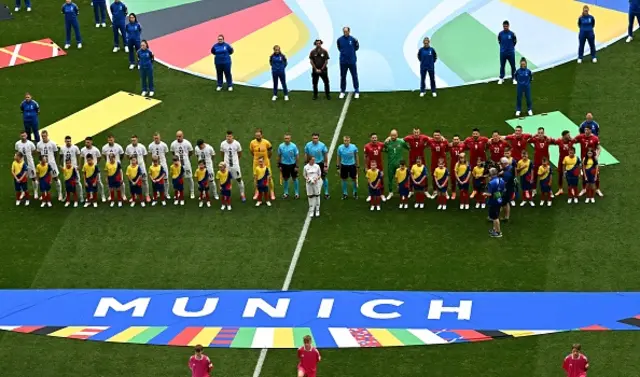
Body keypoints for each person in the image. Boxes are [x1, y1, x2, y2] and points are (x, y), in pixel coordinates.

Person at [573, 127, 601, 196]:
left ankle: (597, 189)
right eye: (585, 130)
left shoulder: (595, 138)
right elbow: (572, 141)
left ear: (590, 130)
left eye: (587, 130)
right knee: (584, 175)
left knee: (596, 174)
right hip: (584, 160)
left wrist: (596, 156)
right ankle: (584, 189)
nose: (586, 131)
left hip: (593, 160)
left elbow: (599, 148)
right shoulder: (580, 136)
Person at [37, 130, 63, 201]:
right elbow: (39, 153)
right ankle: (44, 194)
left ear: (47, 135)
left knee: (55, 178)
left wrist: (52, 160)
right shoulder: (39, 144)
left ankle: (60, 193)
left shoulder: (53, 143)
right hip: (43, 165)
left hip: (51, 163)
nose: (43, 137)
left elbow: (55, 152)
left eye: (44, 136)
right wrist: (41, 161)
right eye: (42, 136)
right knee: (43, 179)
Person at [220, 130, 246, 201]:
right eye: (227, 136)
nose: (228, 138)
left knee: (239, 179)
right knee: (226, 180)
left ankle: (242, 194)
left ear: (232, 136)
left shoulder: (237, 144)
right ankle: (226, 194)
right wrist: (224, 162)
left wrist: (236, 160)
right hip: (226, 166)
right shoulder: (223, 144)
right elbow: (222, 153)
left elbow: (240, 153)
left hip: (235, 166)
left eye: (230, 136)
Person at [249, 129, 275, 200]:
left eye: (259, 135)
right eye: (256, 135)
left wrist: (267, 158)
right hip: (256, 163)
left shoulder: (266, 142)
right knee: (255, 178)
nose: (258, 136)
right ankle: (257, 191)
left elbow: (270, 151)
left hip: (266, 162)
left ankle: (272, 192)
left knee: (269, 177)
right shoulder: (252, 143)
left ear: (261, 135)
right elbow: (252, 152)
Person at [528, 127, 554, 196]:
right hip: (537, 161)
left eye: (541, 133)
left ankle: (549, 190)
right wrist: (534, 135)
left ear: (544, 133)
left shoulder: (547, 140)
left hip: (545, 162)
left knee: (547, 176)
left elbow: (554, 141)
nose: (540, 134)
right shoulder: (535, 140)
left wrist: (548, 137)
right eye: (539, 133)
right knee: (535, 176)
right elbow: (528, 141)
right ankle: (534, 189)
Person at [383, 130, 408, 200]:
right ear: (389, 135)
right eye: (391, 135)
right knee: (390, 178)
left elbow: (408, 148)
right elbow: (382, 148)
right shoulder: (387, 142)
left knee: (402, 178)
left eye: (394, 135)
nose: (393, 137)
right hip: (391, 164)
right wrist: (385, 142)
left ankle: (401, 191)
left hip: (400, 164)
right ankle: (390, 192)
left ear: (397, 135)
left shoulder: (401, 142)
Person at [337, 26, 360, 99]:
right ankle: (342, 91)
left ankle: (356, 91)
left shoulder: (353, 39)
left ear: (349, 32)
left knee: (354, 76)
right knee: (343, 77)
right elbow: (339, 48)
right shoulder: (339, 40)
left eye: (346, 31)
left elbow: (356, 48)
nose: (345, 32)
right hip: (343, 62)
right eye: (344, 31)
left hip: (352, 61)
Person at [304, 133, 329, 199]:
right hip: (311, 164)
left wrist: (325, 165)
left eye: (316, 138)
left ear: (318, 138)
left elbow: (325, 155)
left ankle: (326, 192)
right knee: (310, 178)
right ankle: (312, 192)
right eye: (314, 138)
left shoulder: (322, 145)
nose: (315, 140)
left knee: (323, 177)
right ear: (312, 138)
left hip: (319, 163)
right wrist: (306, 163)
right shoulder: (308, 145)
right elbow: (306, 154)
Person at [81, 137, 106, 202]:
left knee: (99, 182)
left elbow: (99, 157)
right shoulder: (83, 150)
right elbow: (82, 157)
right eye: (86, 142)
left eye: (88, 142)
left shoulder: (95, 150)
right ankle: (89, 196)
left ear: (91, 142)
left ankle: (102, 195)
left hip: (94, 169)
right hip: (87, 169)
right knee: (87, 183)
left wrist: (95, 163)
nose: (87, 143)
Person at [171, 130, 195, 198]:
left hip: (186, 163)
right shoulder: (173, 144)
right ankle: (178, 191)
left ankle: (192, 191)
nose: (178, 138)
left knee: (189, 177)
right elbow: (173, 153)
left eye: (180, 136)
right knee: (178, 178)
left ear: (182, 136)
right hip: (177, 165)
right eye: (177, 136)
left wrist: (186, 158)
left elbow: (190, 152)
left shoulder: (187, 143)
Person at [125, 135, 149, 202]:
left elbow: (145, 155)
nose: (133, 141)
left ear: (137, 140)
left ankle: (147, 195)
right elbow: (127, 155)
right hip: (132, 167)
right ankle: (134, 195)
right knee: (133, 180)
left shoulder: (142, 147)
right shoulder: (128, 147)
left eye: (134, 140)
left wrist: (143, 163)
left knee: (145, 180)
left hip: (141, 165)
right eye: (132, 140)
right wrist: (131, 160)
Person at [102, 134, 126, 201]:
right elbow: (104, 155)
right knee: (110, 183)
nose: (110, 141)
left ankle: (123, 195)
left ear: (113, 139)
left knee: (121, 182)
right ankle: (110, 195)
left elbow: (122, 155)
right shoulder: (104, 147)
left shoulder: (118, 147)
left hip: (117, 166)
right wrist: (108, 162)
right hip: (109, 166)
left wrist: (118, 161)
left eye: (111, 140)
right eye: (109, 140)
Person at [15, 131, 37, 198]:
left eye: (24, 135)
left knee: (33, 177)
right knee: (22, 178)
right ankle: (23, 192)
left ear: (26, 135)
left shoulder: (30, 143)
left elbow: (34, 151)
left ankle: (35, 191)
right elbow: (17, 153)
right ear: (20, 136)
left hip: (30, 163)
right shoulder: (17, 144)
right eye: (22, 136)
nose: (23, 137)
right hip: (21, 165)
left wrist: (29, 157)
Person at [426, 130, 449, 196]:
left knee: (444, 175)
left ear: (440, 135)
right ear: (433, 136)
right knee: (434, 175)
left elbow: (448, 148)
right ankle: (435, 191)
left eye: (438, 135)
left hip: (443, 161)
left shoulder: (444, 141)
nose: (436, 136)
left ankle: (445, 190)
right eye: (435, 135)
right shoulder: (430, 141)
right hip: (434, 161)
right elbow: (425, 144)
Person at [277, 133, 299, 199]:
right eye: (285, 138)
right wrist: (279, 165)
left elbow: (297, 156)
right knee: (285, 178)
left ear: (290, 139)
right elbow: (279, 155)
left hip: (292, 165)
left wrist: (297, 166)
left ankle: (296, 193)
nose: (287, 140)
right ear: (284, 139)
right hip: (284, 165)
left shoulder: (294, 146)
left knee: (294, 178)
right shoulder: (281, 146)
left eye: (288, 138)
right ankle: (286, 193)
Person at [149, 132, 171, 198]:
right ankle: (157, 193)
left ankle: (166, 193)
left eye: (157, 138)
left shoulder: (164, 145)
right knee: (155, 179)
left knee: (166, 179)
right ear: (153, 138)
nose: (156, 139)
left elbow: (166, 153)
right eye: (155, 138)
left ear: (160, 138)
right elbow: (150, 154)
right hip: (154, 165)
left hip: (163, 163)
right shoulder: (150, 146)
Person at [336, 135, 359, 200]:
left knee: (354, 179)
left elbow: (356, 156)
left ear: (349, 140)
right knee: (344, 179)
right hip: (343, 165)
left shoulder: (353, 147)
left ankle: (355, 192)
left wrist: (357, 165)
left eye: (347, 140)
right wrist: (338, 166)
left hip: (352, 165)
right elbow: (338, 157)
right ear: (343, 141)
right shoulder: (340, 147)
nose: (346, 142)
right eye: (345, 140)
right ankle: (345, 193)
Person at [554, 130, 574, 196]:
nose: (569, 136)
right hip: (561, 161)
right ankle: (560, 189)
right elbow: (552, 141)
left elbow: (576, 140)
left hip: (569, 161)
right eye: (568, 135)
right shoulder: (559, 141)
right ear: (564, 136)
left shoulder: (571, 141)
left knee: (571, 175)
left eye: (569, 134)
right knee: (560, 175)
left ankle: (571, 188)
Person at [484, 168, 504, 238]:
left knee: (495, 218)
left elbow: (489, 194)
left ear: (491, 174)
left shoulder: (491, 183)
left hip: (493, 202)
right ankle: (494, 229)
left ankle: (498, 232)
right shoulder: (501, 180)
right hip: (499, 199)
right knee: (496, 215)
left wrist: (484, 194)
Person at [497, 20, 517, 85]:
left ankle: (514, 78)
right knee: (502, 66)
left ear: (508, 26)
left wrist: (511, 47)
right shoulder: (500, 34)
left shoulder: (512, 34)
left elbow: (515, 41)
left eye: (506, 26)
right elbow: (499, 41)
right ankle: (501, 78)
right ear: (503, 26)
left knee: (513, 66)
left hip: (510, 52)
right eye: (504, 26)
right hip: (503, 53)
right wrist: (503, 48)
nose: (505, 27)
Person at [448, 135, 466, 199]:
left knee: (462, 178)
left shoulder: (463, 145)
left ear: (459, 140)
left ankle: (463, 191)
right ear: (452, 140)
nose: (456, 141)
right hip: (453, 164)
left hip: (461, 165)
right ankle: (453, 192)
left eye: (457, 139)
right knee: (453, 179)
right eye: (454, 139)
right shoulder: (450, 146)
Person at [500, 156, 516, 221]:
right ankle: (507, 217)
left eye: (501, 163)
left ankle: (494, 216)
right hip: (510, 188)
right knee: (506, 203)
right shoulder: (510, 167)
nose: (500, 165)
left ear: (504, 163)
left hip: (506, 190)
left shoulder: (507, 173)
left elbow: (504, 182)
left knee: (501, 203)